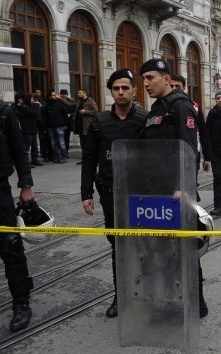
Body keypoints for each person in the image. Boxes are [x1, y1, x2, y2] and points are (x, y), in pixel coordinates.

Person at [138, 58, 208, 318]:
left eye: (151, 78)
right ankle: (170, 301)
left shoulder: (180, 107)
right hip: (156, 192)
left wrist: (183, 187)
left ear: (167, 79)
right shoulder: (157, 109)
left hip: (177, 194)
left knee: (184, 251)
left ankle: (195, 303)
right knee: (162, 253)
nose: (145, 83)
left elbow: (190, 150)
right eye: (143, 79)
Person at [81, 68, 148, 318]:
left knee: (143, 243)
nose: (120, 92)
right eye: (116, 88)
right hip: (110, 192)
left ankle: (146, 290)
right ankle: (121, 296)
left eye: (125, 88)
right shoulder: (100, 122)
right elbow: (89, 160)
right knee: (118, 245)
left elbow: (157, 157)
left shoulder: (144, 119)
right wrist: (86, 193)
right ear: (111, 92)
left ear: (133, 90)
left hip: (140, 194)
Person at [0, 92, 36, 332]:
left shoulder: (2, 111)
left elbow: (20, 150)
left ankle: (21, 303)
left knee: (11, 245)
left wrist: (26, 185)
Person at [169, 73, 213, 178]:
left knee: (190, 186)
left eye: (177, 86)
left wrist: (207, 157)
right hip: (169, 155)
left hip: (191, 154)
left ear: (184, 88)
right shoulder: (161, 106)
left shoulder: (194, 107)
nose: (174, 89)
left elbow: (203, 132)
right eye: (171, 86)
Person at [12, 93, 42, 167]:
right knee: (26, 147)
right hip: (26, 130)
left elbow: (36, 115)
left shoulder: (30, 106)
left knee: (34, 146)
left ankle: (34, 159)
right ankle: (25, 162)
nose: (33, 100)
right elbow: (33, 113)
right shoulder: (24, 107)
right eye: (31, 99)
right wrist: (37, 105)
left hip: (33, 129)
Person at [72, 89, 98, 164]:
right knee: (82, 144)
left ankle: (90, 159)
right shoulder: (79, 102)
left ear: (84, 93)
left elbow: (95, 111)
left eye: (79, 93)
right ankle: (84, 159)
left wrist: (85, 111)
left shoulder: (90, 101)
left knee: (88, 144)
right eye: (77, 93)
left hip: (87, 126)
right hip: (80, 126)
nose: (78, 94)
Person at [45, 90, 69, 163]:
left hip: (60, 126)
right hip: (51, 126)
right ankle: (56, 157)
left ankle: (63, 156)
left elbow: (65, 115)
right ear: (50, 97)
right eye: (53, 95)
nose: (55, 96)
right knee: (53, 143)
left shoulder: (59, 104)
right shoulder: (47, 105)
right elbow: (45, 116)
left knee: (61, 142)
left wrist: (65, 124)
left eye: (56, 95)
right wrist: (46, 126)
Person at [31, 90, 51, 163]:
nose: (38, 94)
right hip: (34, 122)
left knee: (43, 138)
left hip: (42, 122)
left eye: (39, 92)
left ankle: (44, 154)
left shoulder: (43, 101)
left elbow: (45, 110)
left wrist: (40, 105)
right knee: (34, 139)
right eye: (36, 92)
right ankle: (36, 155)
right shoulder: (31, 101)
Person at [58, 89, 76, 158]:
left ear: (67, 94)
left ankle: (66, 152)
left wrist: (70, 115)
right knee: (59, 138)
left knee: (66, 138)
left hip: (68, 122)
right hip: (59, 122)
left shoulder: (71, 101)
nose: (64, 95)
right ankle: (61, 153)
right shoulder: (58, 101)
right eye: (62, 94)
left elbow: (75, 112)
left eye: (65, 94)